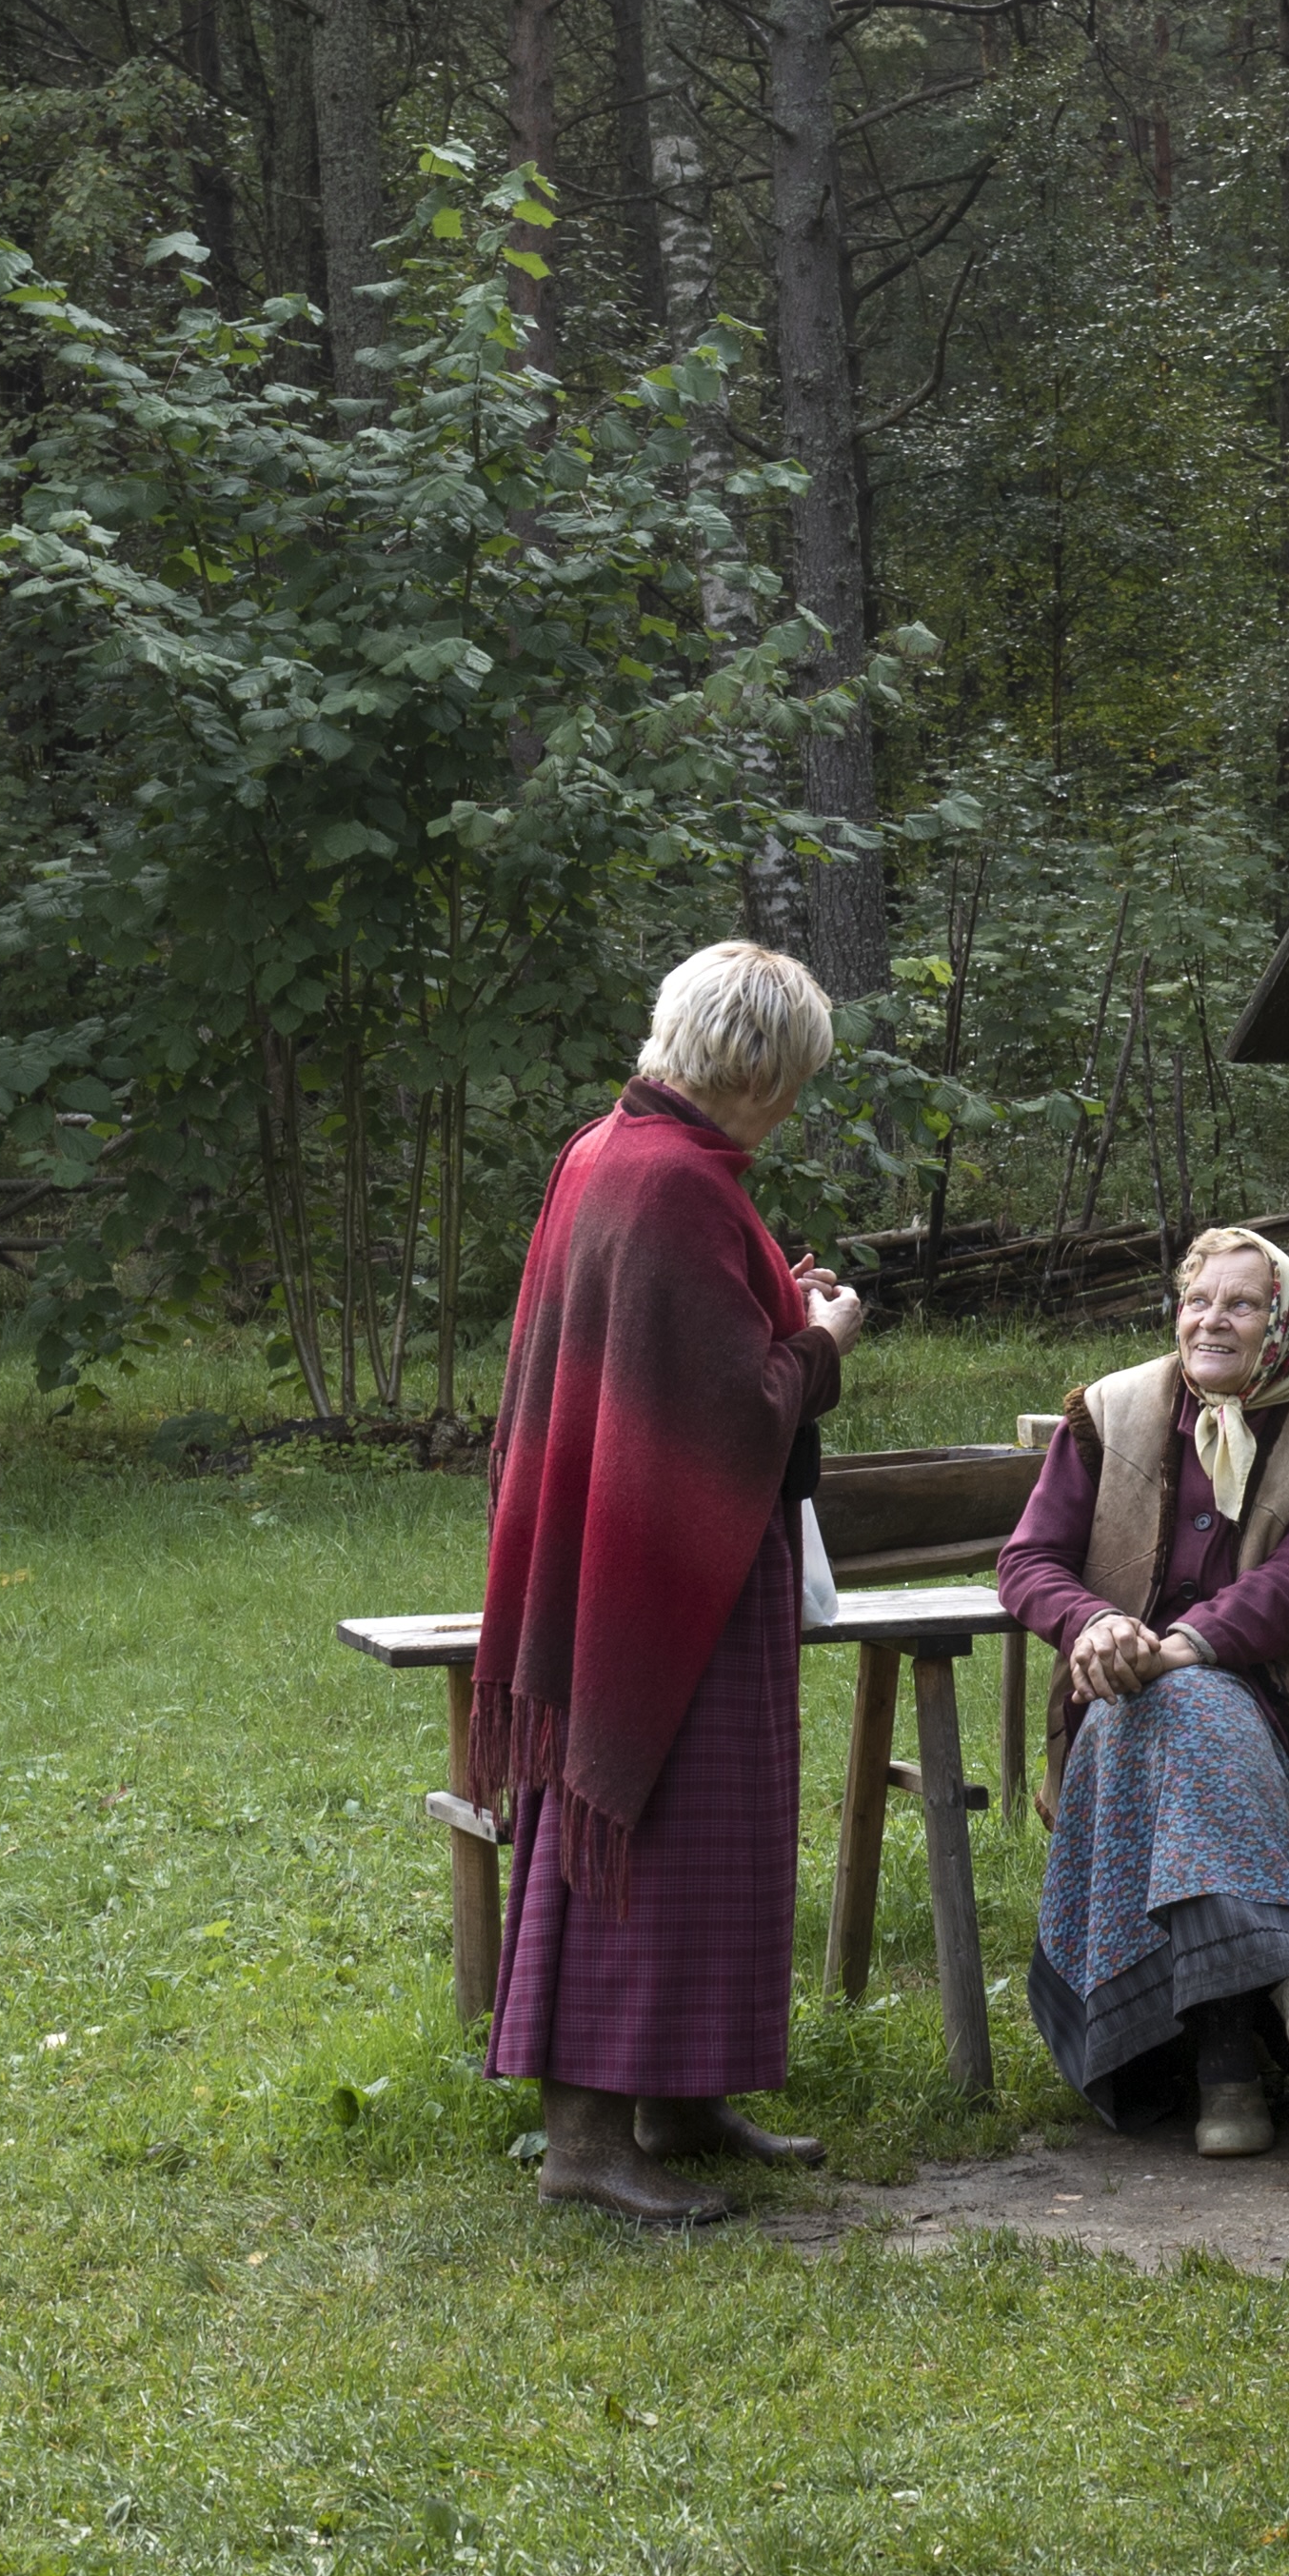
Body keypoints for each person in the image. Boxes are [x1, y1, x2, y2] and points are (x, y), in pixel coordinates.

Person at [462, 941, 866, 2228]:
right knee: (634, 1819)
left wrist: (772, 1310)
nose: (790, 1103)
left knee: (718, 1826)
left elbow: (677, 1352)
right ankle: (584, 2137)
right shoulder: (672, 1180)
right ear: (753, 1069)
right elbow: (732, 1409)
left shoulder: (611, 1148)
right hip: (656, 1570)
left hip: (641, 1548)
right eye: (790, 1078)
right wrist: (819, 1338)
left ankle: (684, 2096)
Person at [995, 1226, 1289, 2157]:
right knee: (1155, 1710)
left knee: (1172, 1706)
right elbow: (1029, 1561)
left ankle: (1225, 2077)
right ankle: (1278, 1971)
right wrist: (1091, 1624)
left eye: (1241, 1303)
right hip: (1126, 1684)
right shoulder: (1111, 1413)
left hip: (1283, 1711)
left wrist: (1183, 1647)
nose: (1211, 1320)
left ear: (1286, 1323)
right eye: (1197, 1300)